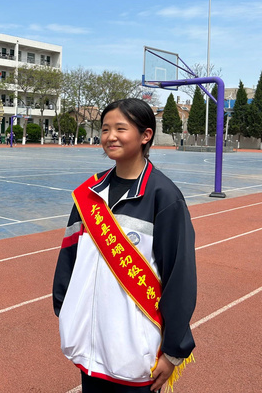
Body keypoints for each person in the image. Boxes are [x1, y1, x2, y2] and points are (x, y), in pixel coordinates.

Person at [52, 98, 196, 393]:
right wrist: (66, 311)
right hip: (90, 351)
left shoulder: (164, 196)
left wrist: (172, 351)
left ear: (146, 135)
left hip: (135, 357)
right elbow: (69, 257)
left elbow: (179, 276)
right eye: (105, 129)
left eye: (121, 128)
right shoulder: (88, 194)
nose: (110, 137)